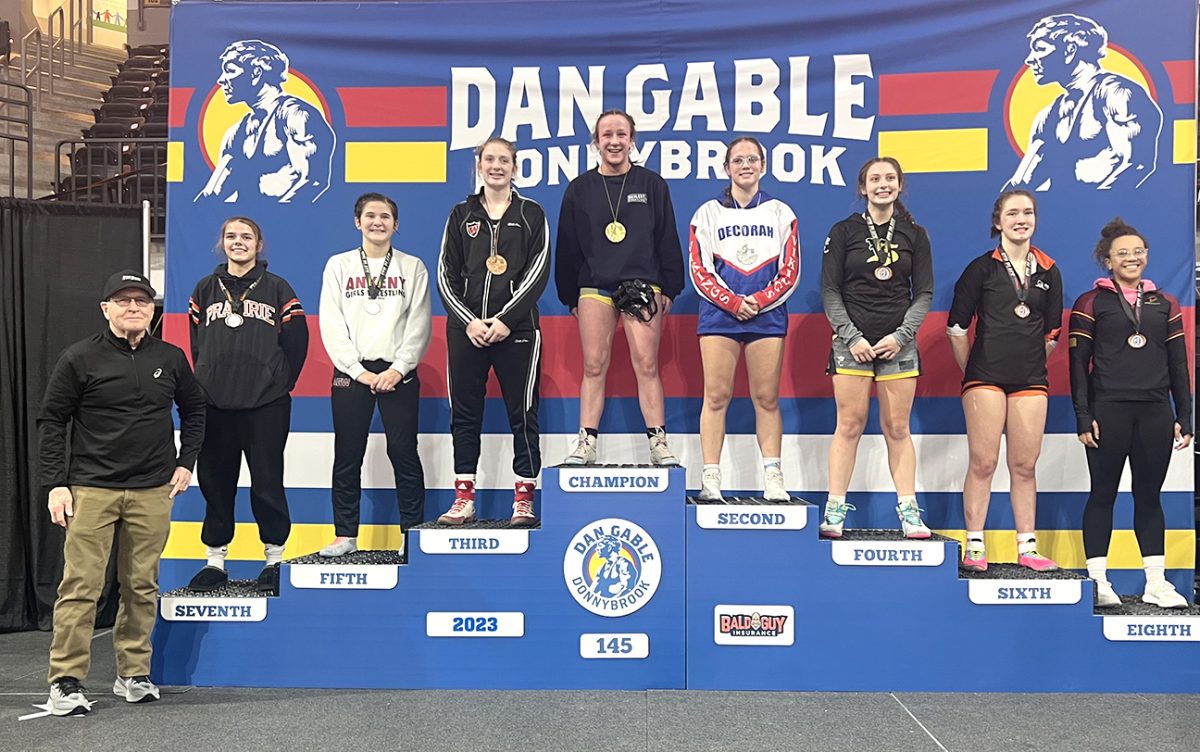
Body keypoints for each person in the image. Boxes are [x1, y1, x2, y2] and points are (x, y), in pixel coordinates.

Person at [37, 271, 206, 715]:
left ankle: (133, 674)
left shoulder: (169, 358)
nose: (134, 308)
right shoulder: (79, 358)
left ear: (152, 311)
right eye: (124, 300)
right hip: (91, 489)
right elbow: (52, 420)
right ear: (106, 308)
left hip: (152, 490)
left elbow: (194, 409)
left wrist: (186, 461)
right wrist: (56, 483)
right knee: (81, 586)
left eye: (142, 302)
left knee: (141, 586)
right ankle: (67, 681)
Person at [1069, 218, 1192, 608]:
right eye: (1122, 253)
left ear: (1146, 256)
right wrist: (1083, 414)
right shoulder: (1091, 303)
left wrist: (1185, 415)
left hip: (1155, 411)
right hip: (1108, 410)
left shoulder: (1165, 303)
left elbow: (1178, 364)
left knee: (1149, 497)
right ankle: (1098, 582)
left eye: (1138, 251)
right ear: (1107, 261)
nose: (1132, 258)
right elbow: (1077, 365)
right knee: (1102, 494)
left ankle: (1155, 583)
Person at [555, 109, 685, 466]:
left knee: (647, 365)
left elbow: (667, 238)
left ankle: (659, 443)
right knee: (594, 366)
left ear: (632, 140)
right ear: (596, 142)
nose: (614, 141)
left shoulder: (652, 184)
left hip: (643, 285)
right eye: (607, 135)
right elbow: (567, 245)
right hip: (594, 286)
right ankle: (586, 443)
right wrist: (570, 294)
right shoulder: (579, 189)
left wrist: (670, 288)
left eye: (621, 134)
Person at [186, 217, 309, 594]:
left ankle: (273, 558)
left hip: (266, 405)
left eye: (246, 237)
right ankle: (215, 561)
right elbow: (197, 344)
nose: (238, 242)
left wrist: (278, 383)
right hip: (215, 405)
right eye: (231, 236)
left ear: (259, 244)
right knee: (215, 484)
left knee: (267, 483)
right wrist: (208, 379)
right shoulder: (205, 289)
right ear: (221, 243)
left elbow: (297, 342)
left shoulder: (277, 288)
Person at [946, 190, 1062, 572]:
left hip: (1030, 379)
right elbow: (957, 328)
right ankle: (974, 545)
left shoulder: (1049, 270)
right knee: (983, 462)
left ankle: (1027, 547)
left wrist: (1029, 362)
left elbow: (1052, 334)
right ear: (998, 221)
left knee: (1025, 466)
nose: (1021, 219)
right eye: (1012, 213)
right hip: (985, 378)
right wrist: (973, 372)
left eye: (1027, 212)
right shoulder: (981, 269)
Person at [436, 137, 550, 526]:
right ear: (478, 165)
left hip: (516, 330)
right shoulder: (458, 214)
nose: (497, 166)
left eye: (504, 160)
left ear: (515, 167)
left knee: (523, 413)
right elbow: (445, 274)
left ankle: (523, 499)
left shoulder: (532, 213)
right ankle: (464, 498)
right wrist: (469, 320)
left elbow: (538, 273)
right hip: (465, 329)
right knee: (465, 415)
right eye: (490, 159)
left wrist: (505, 320)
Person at [818, 157, 933, 538]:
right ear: (862, 188)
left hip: (897, 346)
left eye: (890, 178)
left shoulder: (916, 234)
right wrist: (853, 337)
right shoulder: (844, 231)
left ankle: (909, 513)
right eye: (874, 179)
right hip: (852, 345)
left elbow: (924, 293)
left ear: (900, 186)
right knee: (848, 426)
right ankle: (835, 511)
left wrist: (900, 337)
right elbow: (830, 291)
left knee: (898, 428)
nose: (882, 184)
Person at [318, 193, 431, 557]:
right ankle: (345, 535)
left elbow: (419, 322)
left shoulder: (413, 267)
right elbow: (331, 323)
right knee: (348, 454)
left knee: (404, 453)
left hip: (399, 373)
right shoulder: (338, 265)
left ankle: (411, 534)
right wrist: (356, 370)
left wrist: (399, 368)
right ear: (357, 221)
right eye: (370, 215)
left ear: (396, 225)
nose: (377, 222)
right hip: (353, 373)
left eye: (385, 216)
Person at [688, 136, 799, 501]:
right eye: (738, 160)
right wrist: (733, 302)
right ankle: (711, 478)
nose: (745, 165)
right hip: (720, 315)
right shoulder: (706, 213)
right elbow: (699, 270)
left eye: (752, 159)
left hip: (766, 317)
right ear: (727, 168)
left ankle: (773, 477)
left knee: (766, 397)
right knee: (716, 396)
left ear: (763, 166)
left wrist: (759, 300)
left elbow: (791, 270)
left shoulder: (782, 212)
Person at [1005, 14, 1162, 192]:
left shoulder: (1118, 94)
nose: (1030, 59)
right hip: (1059, 216)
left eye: (1040, 48)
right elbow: (1020, 185)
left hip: (1109, 216)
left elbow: (1135, 165)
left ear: (1070, 50)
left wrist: (1089, 205)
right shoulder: (1048, 116)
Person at [196, 39, 336, 203]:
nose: (221, 79)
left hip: (288, 222)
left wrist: (276, 217)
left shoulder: (297, 115)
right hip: (248, 225)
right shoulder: (236, 132)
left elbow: (312, 181)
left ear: (256, 73)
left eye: (230, 71)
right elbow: (212, 193)